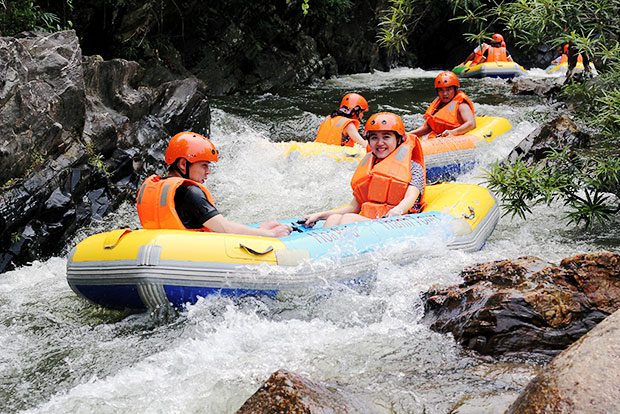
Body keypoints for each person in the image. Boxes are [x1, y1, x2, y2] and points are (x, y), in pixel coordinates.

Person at [136, 132, 291, 237]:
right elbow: (225, 229)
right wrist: (268, 234)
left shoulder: (159, 186)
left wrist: (257, 229)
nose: (208, 172)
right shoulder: (190, 192)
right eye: (204, 165)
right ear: (183, 164)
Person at [304, 112, 426, 228]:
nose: (380, 143)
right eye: (374, 138)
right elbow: (353, 207)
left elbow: (410, 198)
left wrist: (395, 212)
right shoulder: (370, 166)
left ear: (399, 139)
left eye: (386, 137)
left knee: (348, 219)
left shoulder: (413, 167)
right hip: (373, 220)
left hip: (398, 221)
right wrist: (320, 215)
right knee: (334, 219)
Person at [410, 71, 476, 139]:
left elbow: (471, 124)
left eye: (448, 89)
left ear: (455, 89)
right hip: (437, 137)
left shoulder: (461, 105)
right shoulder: (437, 105)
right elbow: (428, 127)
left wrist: (453, 132)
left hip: (456, 136)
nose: (445, 94)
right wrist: (409, 134)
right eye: (441, 90)